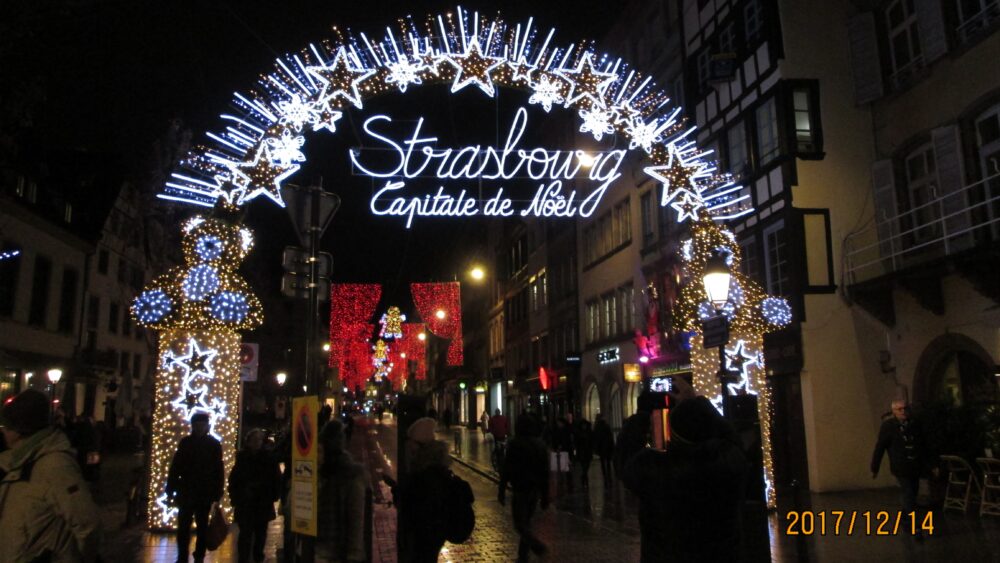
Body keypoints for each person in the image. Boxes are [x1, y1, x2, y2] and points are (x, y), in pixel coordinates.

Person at [623, 396, 748, 562]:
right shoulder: (727, 463)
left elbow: (624, 459)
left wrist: (643, 414)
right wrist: (701, 403)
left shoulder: (654, 468)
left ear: (674, 432)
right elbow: (733, 438)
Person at [0, 389, 102, 562]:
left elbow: (87, 522)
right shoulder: (18, 461)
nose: (3, 432)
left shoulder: (54, 465)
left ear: (18, 430)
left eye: (5, 427)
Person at [167, 412, 225, 563]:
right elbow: (176, 466)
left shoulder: (213, 445)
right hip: (188, 490)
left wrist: (218, 491)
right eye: (197, 425)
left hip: (202, 492)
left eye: (202, 425)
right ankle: (183, 556)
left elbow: (218, 470)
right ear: (193, 426)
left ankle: (198, 555)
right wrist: (171, 487)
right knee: (184, 528)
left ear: (207, 426)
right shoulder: (186, 443)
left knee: (202, 527)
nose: (199, 428)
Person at [397, 417, 452, 562]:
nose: (408, 448)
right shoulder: (431, 469)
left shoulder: (424, 476)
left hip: (423, 543)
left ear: (420, 446)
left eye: (411, 444)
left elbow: (415, 512)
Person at [871, 399, 931, 529]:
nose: (903, 411)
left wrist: (930, 463)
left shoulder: (915, 424)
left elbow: (923, 444)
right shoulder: (888, 426)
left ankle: (905, 517)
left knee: (912, 492)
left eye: (905, 409)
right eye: (900, 409)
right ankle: (915, 525)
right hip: (900, 466)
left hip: (914, 465)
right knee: (908, 492)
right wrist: (875, 467)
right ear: (894, 412)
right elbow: (880, 447)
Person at [498, 413, 549, 562]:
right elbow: (544, 472)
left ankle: (536, 546)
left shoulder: (515, 444)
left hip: (520, 488)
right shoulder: (540, 445)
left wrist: (501, 489)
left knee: (520, 524)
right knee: (526, 522)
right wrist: (545, 494)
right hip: (534, 490)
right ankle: (523, 556)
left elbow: (506, 468)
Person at [316, 420, 367, 563]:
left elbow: (355, 517)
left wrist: (354, 553)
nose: (317, 455)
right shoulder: (316, 472)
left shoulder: (349, 474)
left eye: (320, 450)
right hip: (315, 547)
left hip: (335, 550)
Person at [228, 428, 282, 563]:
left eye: (259, 440)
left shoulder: (268, 458)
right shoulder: (243, 458)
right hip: (247, 501)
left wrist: (273, 494)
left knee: (260, 535)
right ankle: (244, 558)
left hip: (261, 501)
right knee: (246, 534)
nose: (257, 443)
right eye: (254, 440)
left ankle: (257, 557)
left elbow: (275, 479)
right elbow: (235, 479)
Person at [592, 413, 615, 485]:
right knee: (607, 462)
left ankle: (605, 476)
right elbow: (610, 436)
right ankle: (609, 476)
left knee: (603, 462)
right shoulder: (606, 426)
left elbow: (595, 437)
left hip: (601, 446)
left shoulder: (597, 426)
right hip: (607, 445)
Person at [574, 419, 594, 489]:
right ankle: (584, 478)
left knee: (586, 466)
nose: (584, 426)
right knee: (584, 466)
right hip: (582, 452)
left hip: (587, 451)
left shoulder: (589, 432)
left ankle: (584, 477)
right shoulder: (579, 433)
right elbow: (576, 443)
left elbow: (592, 441)